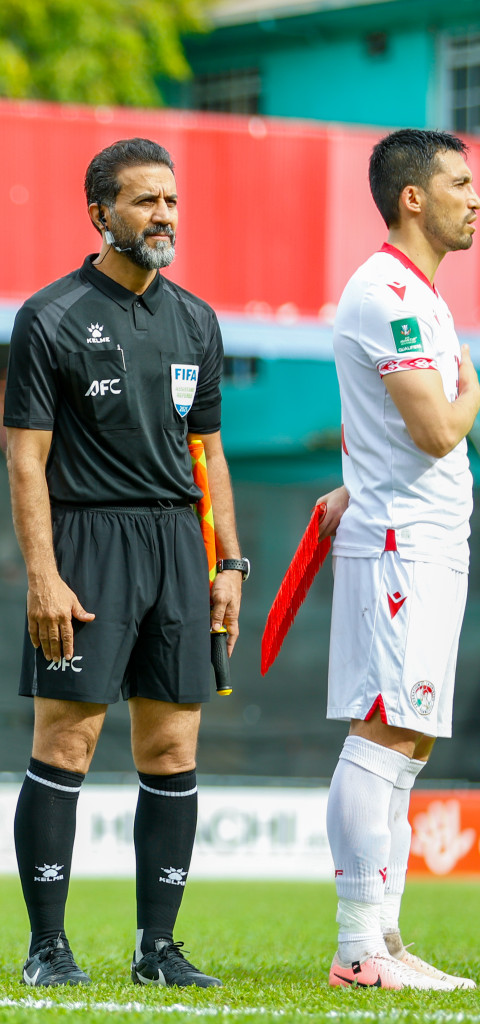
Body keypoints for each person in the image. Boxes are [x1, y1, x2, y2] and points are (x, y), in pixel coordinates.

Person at [2, 138, 243, 989]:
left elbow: (208, 453)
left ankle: (158, 947)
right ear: (100, 212)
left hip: (180, 544)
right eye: (145, 202)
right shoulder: (53, 314)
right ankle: (48, 946)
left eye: (170, 201)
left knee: (173, 748)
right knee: (67, 741)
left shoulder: (197, 320)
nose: (164, 216)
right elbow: (24, 457)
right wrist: (41, 572)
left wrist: (231, 563)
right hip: (88, 542)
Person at [312, 129, 479, 991]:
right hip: (400, 546)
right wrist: (474, 376)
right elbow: (438, 427)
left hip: (423, 540)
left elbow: (376, 432)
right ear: (412, 197)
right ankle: (356, 949)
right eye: (459, 183)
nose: (473, 198)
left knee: (405, 742)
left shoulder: (418, 294)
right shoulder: (388, 294)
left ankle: (385, 939)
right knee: (382, 734)